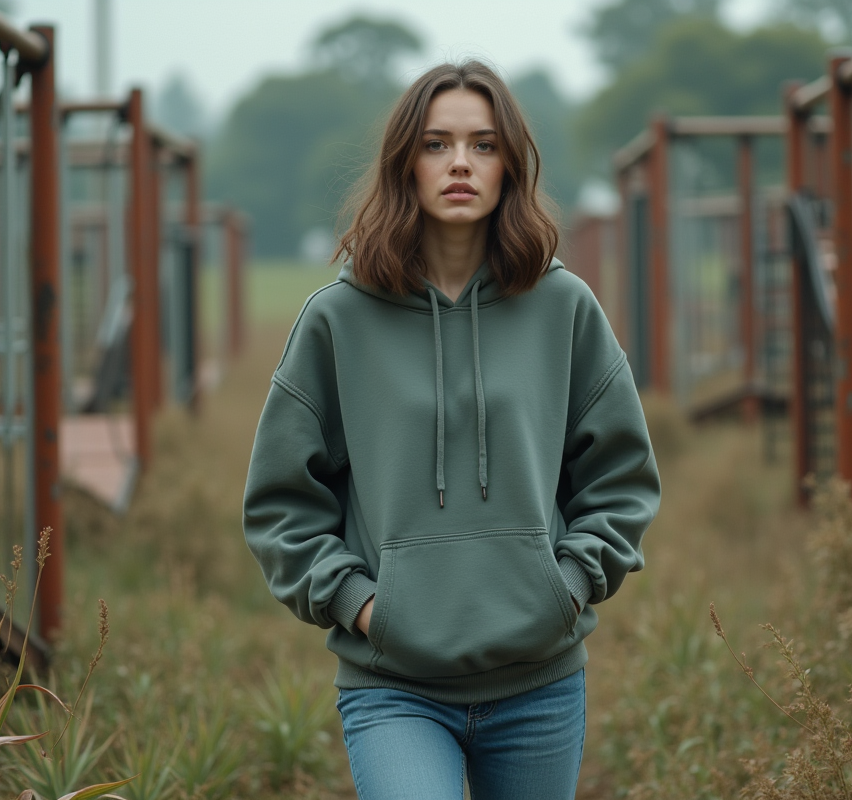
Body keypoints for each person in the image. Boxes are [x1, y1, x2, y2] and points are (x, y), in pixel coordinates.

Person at [242, 60, 661, 800]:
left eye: (483, 144)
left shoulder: (564, 306)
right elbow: (280, 504)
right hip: (394, 686)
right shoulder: (337, 320)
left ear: (511, 165)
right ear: (405, 163)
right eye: (436, 144)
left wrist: (565, 586)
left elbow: (621, 479)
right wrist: (362, 605)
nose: (460, 163)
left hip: (540, 685)